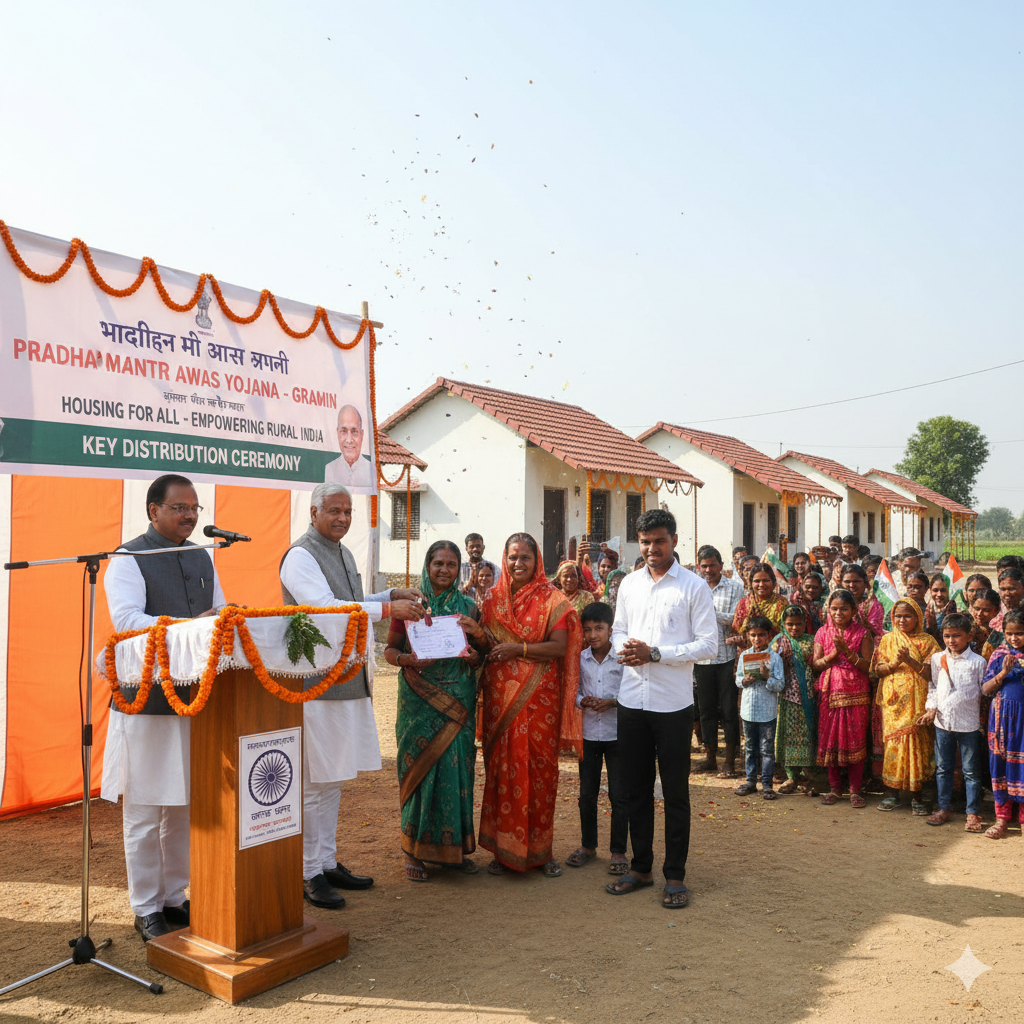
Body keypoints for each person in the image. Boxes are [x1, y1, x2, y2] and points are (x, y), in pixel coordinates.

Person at [280, 482, 424, 909]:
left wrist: (388, 596)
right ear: (313, 513)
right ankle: (306, 872)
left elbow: (351, 602)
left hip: (347, 679)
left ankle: (325, 862)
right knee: (313, 781)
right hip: (315, 680)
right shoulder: (300, 555)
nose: (342, 518)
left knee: (334, 778)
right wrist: (385, 610)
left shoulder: (342, 552)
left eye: (347, 512)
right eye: (334, 511)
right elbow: (326, 609)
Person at [101, 474, 228, 942]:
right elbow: (129, 622)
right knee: (144, 808)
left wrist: (218, 620)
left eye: (194, 508)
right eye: (179, 508)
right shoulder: (128, 557)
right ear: (153, 510)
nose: (191, 516)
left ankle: (175, 897)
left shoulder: (202, 555)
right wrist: (193, 626)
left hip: (195, 698)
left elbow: (215, 613)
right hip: (144, 699)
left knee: (181, 806)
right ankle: (146, 906)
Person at [605, 509, 717, 910]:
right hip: (632, 701)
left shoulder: (693, 587)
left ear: (674, 541)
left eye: (660, 541)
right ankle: (641, 868)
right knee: (634, 790)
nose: (653, 549)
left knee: (675, 793)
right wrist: (626, 650)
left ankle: (675, 875)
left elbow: (708, 645)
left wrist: (655, 654)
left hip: (672, 706)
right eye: (646, 542)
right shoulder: (630, 585)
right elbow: (618, 628)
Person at [477, 533, 583, 876]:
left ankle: (541, 852)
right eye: (512, 557)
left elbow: (558, 647)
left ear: (537, 561)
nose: (518, 564)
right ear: (503, 559)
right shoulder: (492, 600)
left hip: (540, 701)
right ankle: (501, 851)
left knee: (539, 771)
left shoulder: (553, 600)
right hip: (500, 701)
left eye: (525, 557)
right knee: (502, 770)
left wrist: (517, 650)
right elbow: (484, 645)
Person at [385, 541, 486, 880]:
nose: (444, 570)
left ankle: (451, 851)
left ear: (460, 569)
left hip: (458, 702)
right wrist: (407, 659)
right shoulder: (412, 605)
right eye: (438, 563)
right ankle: (412, 851)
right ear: (427, 566)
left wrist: (475, 656)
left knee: (456, 772)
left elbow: (478, 651)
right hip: (418, 698)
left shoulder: (469, 608)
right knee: (421, 771)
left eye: (451, 564)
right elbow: (389, 650)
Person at [566, 602, 628, 875]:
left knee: (619, 795)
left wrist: (613, 702)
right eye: (588, 629)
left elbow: (632, 691)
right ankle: (588, 846)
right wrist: (584, 701)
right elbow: (574, 691)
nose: (593, 635)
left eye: (599, 629)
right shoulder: (579, 659)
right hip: (589, 735)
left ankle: (618, 851)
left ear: (610, 630)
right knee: (586, 794)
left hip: (617, 735)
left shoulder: (623, 659)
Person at [919, 613, 987, 831]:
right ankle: (944, 808)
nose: (951, 641)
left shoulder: (978, 662)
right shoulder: (938, 658)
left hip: (969, 726)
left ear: (969, 636)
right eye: (947, 636)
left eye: (956, 636)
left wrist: (982, 722)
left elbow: (984, 693)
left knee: (971, 772)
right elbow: (933, 687)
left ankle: (973, 813)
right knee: (943, 768)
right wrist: (931, 709)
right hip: (943, 723)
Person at [872, 598, 940, 815]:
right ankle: (892, 793)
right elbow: (877, 670)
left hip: (918, 702)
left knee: (918, 746)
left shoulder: (927, 641)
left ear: (918, 618)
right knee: (894, 745)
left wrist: (909, 660)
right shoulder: (887, 640)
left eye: (908, 616)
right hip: (893, 706)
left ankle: (918, 796)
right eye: (898, 616)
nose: (902, 620)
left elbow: (932, 674)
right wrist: (894, 663)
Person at [813, 589, 873, 808]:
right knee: (831, 740)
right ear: (828, 609)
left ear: (854, 611)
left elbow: (869, 667)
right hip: (829, 694)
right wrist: (832, 656)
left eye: (844, 609)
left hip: (856, 693)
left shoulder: (862, 633)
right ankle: (834, 788)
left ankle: (855, 790)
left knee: (854, 740)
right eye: (835, 609)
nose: (839, 613)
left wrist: (848, 652)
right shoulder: (822, 632)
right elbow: (815, 664)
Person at [693, 545, 744, 778]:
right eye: (704, 566)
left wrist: (709, 614)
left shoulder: (735, 587)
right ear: (698, 567)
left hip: (727, 657)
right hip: (702, 659)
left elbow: (737, 619)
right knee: (706, 710)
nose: (708, 569)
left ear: (721, 565)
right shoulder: (694, 587)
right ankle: (711, 756)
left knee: (730, 711)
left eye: (712, 565)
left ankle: (731, 760)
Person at [981, 608, 1024, 839]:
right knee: (1000, 767)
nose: (1014, 638)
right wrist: (1003, 673)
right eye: (1009, 633)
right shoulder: (999, 654)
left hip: (1023, 724)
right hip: (1001, 722)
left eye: (1020, 633)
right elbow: (986, 689)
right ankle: (1001, 820)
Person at [733, 616, 785, 800]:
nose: (757, 639)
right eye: (753, 635)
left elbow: (780, 685)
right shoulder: (745, 656)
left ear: (768, 636)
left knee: (767, 750)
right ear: (748, 636)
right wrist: (744, 681)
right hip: (748, 710)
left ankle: (767, 785)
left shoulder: (775, 658)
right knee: (750, 748)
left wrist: (766, 677)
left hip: (767, 712)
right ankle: (749, 781)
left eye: (761, 635)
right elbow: (738, 678)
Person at [771, 605, 818, 795]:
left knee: (808, 732)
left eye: (798, 624)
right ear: (783, 623)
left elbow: (817, 665)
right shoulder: (778, 642)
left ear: (805, 624)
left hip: (809, 696)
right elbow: (769, 664)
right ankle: (791, 775)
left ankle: (808, 775)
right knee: (788, 734)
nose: (794, 628)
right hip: (787, 697)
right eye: (789, 624)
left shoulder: (812, 641)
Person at [728, 563, 788, 649]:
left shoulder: (781, 603)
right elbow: (736, 631)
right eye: (757, 581)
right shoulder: (744, 603)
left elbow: (787, 631)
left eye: (765, 580)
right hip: (748, 653)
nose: (761, 584)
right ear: (751, 583)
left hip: (776, 652)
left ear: (773, 582)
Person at [324, 404, 374, 488]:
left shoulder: (371, 470)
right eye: (343, 431)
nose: (349, 440)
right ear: (338, 433)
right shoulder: (330, 469)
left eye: (354, 432)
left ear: (361, 435)